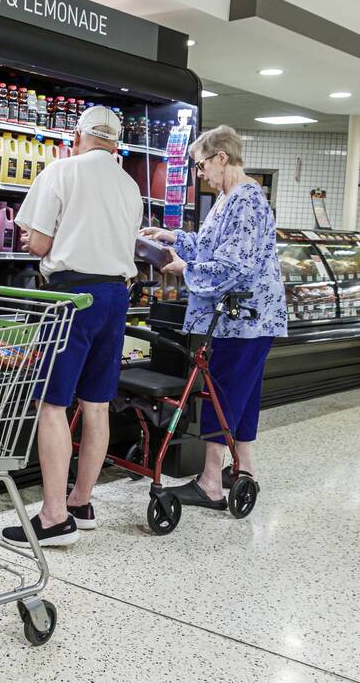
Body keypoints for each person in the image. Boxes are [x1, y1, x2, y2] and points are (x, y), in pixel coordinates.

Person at [1, 106, 142, 547]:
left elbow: (39, 241)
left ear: (76, 137)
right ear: (115, 144)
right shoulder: (130, 185)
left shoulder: (61, 171)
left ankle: (54, 517)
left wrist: (34, 240)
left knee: (53, 405)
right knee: (97, 405)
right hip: (116, 296)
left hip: (71, 297)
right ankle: (81, 502)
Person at [142, 125, 287, 508]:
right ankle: (244, 469)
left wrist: (184, 269)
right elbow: (211, 246)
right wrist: (173, 237)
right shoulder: (228, 197)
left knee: (222, 392)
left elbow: (234, 263)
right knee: (243, 392)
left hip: (245, 316)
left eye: (202, 164)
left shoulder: (246, 200)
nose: (200, 173)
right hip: (245, 317)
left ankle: (209, 482)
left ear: (221, 157)